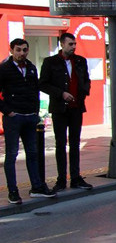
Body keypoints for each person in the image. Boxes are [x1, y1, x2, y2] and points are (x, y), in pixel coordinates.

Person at [0, 39, 56, 203]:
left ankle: (37, 187)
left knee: (33, 153)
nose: (21, 53)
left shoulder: (31, 68)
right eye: (18, 50)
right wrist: (8, 111)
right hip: (14, 117)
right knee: (11, 155)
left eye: (24, 50)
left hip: (30, 117)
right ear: (11, 50)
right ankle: (13, 191)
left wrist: (36, 111)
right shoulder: (4, 69)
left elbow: (35, 91)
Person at [39, 33, 93, 191]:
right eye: (70, 44)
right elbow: (43, 84)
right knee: (60, 143)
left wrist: (84, 91)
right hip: (59, 108)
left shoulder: (80, 61)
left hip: (76, 107)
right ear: (62, 44)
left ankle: (75, 177)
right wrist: (61, 93)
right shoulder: (51, 62)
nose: (73, 47)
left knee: (75, 143)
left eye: (75, 44)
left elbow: (86, 79)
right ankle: (61, 179)